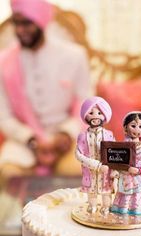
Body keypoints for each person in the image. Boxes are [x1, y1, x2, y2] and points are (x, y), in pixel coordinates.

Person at [0, 0, 91, 178]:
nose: (20, 30)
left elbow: (86, 105)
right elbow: (3, 116)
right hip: (23, 140)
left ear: (41, 20)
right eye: (16, 23)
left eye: (27, 23)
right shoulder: (4, 62)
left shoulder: (74, 56)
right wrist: (31, 140)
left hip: (66, 137)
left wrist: (66, 134)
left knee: (75, 171)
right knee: (10, 174)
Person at [111, 111, 141, 216]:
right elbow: (118, 161)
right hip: (126, 176)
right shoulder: (123, 146)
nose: (137, 129)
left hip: (140, 176)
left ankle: (138, 209)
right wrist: (127, 169)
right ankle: (123, 209)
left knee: (140, 194)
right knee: (126, 194)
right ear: (125, 128)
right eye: (133, 126)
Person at [75, 96, 116, 214]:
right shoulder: (83, 136)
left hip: (106, 171)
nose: (95, 116)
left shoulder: (109, 135)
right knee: (91, 190)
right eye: (91, 112)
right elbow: (78, 154)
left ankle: (106, 206)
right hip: (90, 171)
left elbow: (114, 153)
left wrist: (114, 169)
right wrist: (95, 165)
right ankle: (92, 205)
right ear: (85, 115)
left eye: (99, 112)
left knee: (106, 190)